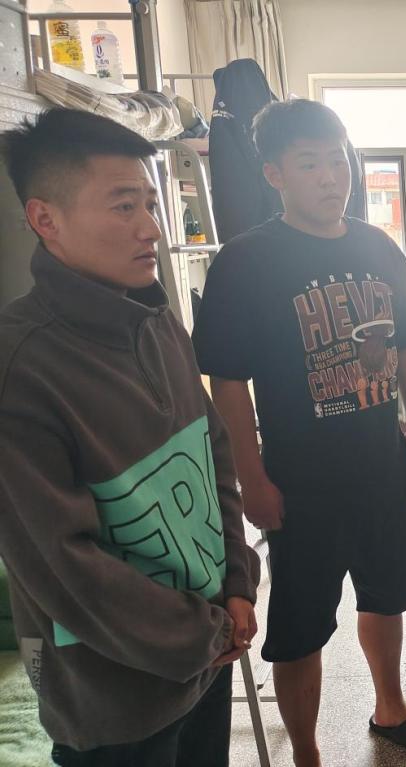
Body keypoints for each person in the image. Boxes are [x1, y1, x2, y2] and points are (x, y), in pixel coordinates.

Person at [191, 99, 406, 765]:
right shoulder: (245, 261)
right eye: (310, 164)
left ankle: (391, 706)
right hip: (300, 479)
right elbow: (228, 381)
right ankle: (306, 752)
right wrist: (251, 478)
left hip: (380, 465)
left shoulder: (377, 245)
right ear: (274, 173)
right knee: (300, 625)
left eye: (339, 160)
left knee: (387, 594)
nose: (332, 177)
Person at [0, 108, 259, 766]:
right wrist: (203, 633)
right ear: (45, 219)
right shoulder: (21, 367)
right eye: (123, 206)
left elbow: (212, 454)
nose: (151, 227)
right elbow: (62, 566)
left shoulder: (155, 315)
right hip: (113, 695)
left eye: (149, 202)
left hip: (205, 650)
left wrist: (237, 582)